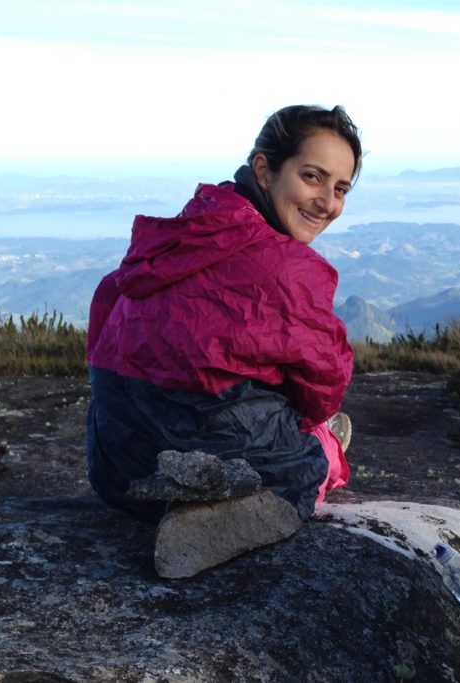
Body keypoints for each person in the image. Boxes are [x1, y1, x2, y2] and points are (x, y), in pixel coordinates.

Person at [85, 104, 361, 527]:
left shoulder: (181, 233)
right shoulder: (288, 268)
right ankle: (322, 453)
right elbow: (324, 382)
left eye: (341, 189)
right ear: (265, 171)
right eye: (312, 177)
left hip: (118, 469)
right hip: (215, 454)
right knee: (307, 459)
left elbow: (105, 313)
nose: (327, 203)